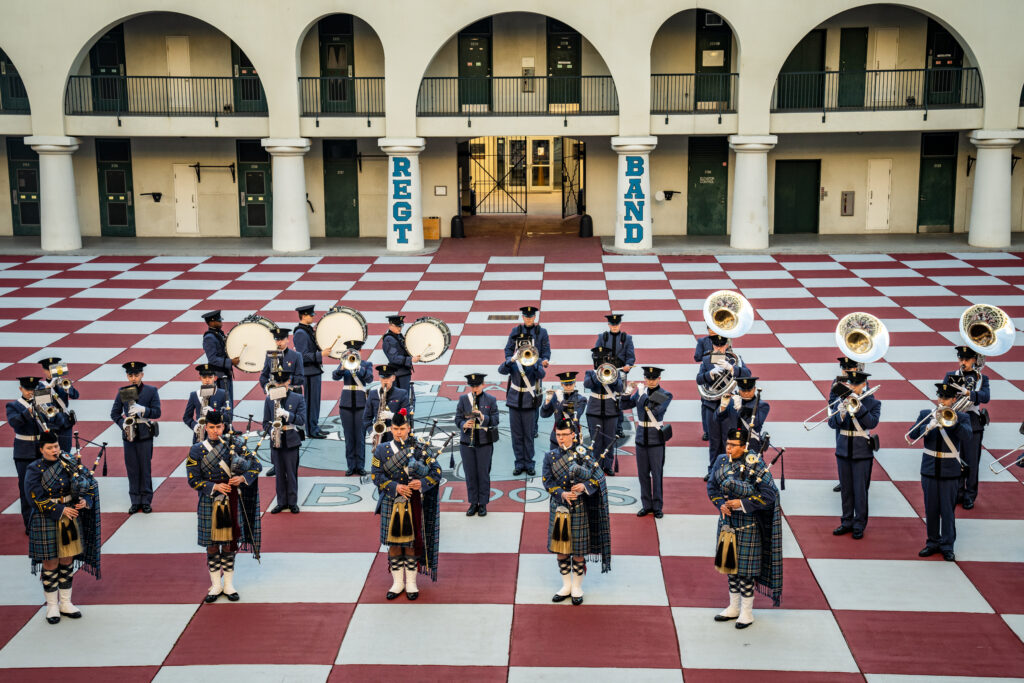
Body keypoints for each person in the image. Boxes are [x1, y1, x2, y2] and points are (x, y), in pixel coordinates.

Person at [707, 427, 783, 629]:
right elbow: (712, 487)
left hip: (748, 524)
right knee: (730, 567)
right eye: (728, 444)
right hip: (727, 522)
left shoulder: (755, 464)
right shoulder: (721, 460)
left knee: (746, 571)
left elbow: (769, 495)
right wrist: (719, 504)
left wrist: (741, 504)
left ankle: (747, 612)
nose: (729, 449)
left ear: (745, 447)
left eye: (733, 446)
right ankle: (733, 607)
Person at [24, 431, 101, 624]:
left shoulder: (68, 461)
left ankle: (65, 602)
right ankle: (51, 606)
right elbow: (34, 498)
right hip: (48, 517)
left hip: (70, 515)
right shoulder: (34, 468)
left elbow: (87, 483)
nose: (54, 450)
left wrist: (85, 500)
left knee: (67, 559)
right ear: (41, 449)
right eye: (50, 448)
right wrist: (60, 509)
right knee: (50, 561)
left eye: (56, 446)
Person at [186, 410, 261, 602]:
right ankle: (215, 585)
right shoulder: (196, 450)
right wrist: (213, 486)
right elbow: (193, 480)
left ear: (224, 426)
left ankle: (228, 584)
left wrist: (243, 478)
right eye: (211, 427)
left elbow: (256, 465)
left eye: (218, 427)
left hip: (230, 500)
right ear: (205, 428)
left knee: (229, 544)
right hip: (209, 500)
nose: (215, 431)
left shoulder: (234, 444)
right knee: (211, 545)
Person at [371, 409, 441, 600]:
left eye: (402, 428)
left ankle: (411, 583)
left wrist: (422, 483)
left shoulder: (420, 448)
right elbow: (375, 476)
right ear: (390, 429)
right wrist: (395, 487)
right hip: (391, 501)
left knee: (410, 543)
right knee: (393, 544)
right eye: (395, 429)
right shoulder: (381, 449)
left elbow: (436, 472)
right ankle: (397, 583)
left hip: (413, 501)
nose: (398, 432)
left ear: (409, 429)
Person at [542, 419, 611, 605]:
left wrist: (585, 486)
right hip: (560, 508)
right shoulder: (550, 456)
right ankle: (566, 585)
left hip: (580, 507)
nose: (561, 439)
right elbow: (547, 482)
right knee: (561, 549)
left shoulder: (584, 454)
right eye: (558, 435)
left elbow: (598, 478)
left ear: (573, 434)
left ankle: (577, 587)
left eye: (564, 435)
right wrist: (562, 493)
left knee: (579, 550)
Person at [909, 383, 972, 562]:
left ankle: (947, 545)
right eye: (940, 397)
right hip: (929, 468)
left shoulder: (962, 417)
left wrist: (951, 422)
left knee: (947, 510)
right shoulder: (925, 414)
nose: (942, 401)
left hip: (949, 471)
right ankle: (932, 543)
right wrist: (928, 426)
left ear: (954, 399)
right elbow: (912, 435)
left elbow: (967, 437)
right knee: (931, 509)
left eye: (946, 398)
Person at [827, 370, 880, 539]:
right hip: (843, 449)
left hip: (861, 451)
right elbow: (832, 424)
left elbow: (872, 422)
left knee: (860, 490)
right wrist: (841, 412)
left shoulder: (873, 402)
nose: (852, 387)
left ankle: (859, 524)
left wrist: (859, 406)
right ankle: (846, 521)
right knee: (846, 490)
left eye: (855, 384)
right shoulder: (841, 401)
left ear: (863, 384)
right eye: (850, 384)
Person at [621, 367, 673, 518]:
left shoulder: (664, 394)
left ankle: (657, 506)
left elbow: (654, 410)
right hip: (641, 438)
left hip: (656, 439)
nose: (650, 381)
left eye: (653, 378)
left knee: (656, 474)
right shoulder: (640, 392)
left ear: (659, 379)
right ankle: (646, 505)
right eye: (648, 378)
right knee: (642, 475)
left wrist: (642, 395)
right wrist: (627, 392)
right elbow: (624, 406)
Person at [110, 361, 161, 515]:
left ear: (142, 375)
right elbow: (114, 413)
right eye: (130, 375)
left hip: (145, 434)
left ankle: (146, 500)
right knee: (132, 468)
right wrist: (123, 423)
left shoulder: (151, 391)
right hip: (129, 434)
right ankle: (134, 500)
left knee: (145, 468)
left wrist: (144, 410)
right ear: (127, 376)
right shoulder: (123, 391)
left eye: (136, 375)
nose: (133, 378)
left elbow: (157, 413)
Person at [943, 345, 990, 509]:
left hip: (972, 422)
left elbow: (985, 396)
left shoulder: (981, 378)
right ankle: (957, 492)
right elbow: (942, 395)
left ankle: (970, 495)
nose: (962, 362)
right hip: (954, 420)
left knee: (971, 460)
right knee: (956, 459)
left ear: (974, 360)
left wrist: (969, 393)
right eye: (960, 359)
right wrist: (951, 397)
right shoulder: (951, 375)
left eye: (966, 359)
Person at [697, 334, 751, 474]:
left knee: (728, 439)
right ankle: (713, 471)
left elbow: (747, 374)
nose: (719, 348)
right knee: (714, 441)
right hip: (711, 404)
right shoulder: (707, 359)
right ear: (713, 346)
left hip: (729, 404)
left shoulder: (733, 359)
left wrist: (731, 368)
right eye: (716, 346)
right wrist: (711, 373)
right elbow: (699, 380)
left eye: (722, 345)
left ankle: (728, 470)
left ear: (726, 345)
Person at [499, 334, 547, 476]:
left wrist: (534, 363)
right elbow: (501, 370)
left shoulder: (535, 360)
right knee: (517, 435)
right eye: (521, 346)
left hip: (529, 403)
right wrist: (511, 360)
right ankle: (519, 463)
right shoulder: (513, 361)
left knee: (528, 435)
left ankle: (529, 463)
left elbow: (542, 375)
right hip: (514, 402)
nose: (524, 349)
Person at [456, 373, 500, 517]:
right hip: (466, 441)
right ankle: (473, 502)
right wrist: (464, 424)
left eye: (477, 385)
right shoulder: (464, 399)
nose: (475, 388)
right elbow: (457, 418)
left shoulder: (491, 400)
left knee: (483, 473)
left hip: (484, 442)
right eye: (472, 386)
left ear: (483, 384)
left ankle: (483, 503)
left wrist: (482, 417)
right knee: (470, 474)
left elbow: (495, 420)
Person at [263, 371, 306, 514]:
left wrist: (287, 414)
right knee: (280, 473)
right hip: (276, 440)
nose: (280, 385)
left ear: (289, 381)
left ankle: (292, 502)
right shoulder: (269, 399)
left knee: (291, 472)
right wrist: (270, 431)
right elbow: (265, 422)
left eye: (283, 382)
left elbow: (301, 420)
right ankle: (281, 502)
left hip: (291, 438)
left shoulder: (298, 398)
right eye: (278, 383)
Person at [504, 305, 551, 438]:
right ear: (523, 317)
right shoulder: (515, 330)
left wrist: (545, 360)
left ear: (534, 317)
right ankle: (519, 428)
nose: (529, 319)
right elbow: (508, 349)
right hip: (518, 368)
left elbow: (546, 349)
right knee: (515, 398)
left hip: (535, 370)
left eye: (531, 316)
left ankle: (533, 428)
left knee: (534, 400)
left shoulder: (542, 332)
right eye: (526, 316)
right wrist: (510, 360)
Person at [332, 340, 374, 476]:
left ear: (360, 352)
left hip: (362, 404)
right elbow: (335, 376)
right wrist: (343, 367)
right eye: (350, 352)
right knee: (349, 437)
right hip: (346, 404)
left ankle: (360, 466)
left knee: (360, 437)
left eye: (355, 352)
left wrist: (358, 368)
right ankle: (351, 466)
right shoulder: (344, 363)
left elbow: (369, 379)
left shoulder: (367, 364)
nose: (353, 355)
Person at [9, 376, 45, 533]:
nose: (31, 392)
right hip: (24, 451)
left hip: (42, 450)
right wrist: (27, 412)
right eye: (27, 389)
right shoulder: (14, 405)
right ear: (21, 389)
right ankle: (29, 524)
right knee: (26, 487)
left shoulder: (43, 401)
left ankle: (45, 519)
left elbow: (53, 419)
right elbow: (14, 422)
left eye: (33, 389)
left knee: (45, 485)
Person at [829, 357, 869, 492]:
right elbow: (831, 401)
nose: (845, 371)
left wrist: (853, 394)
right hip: (843, 418)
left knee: (858, 450)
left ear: (855, 368)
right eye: (843, 369)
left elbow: (867, 399)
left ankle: (858, 478)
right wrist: (841, 399)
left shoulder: (862, 381)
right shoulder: (837, 381)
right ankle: (843, 480)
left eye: (848, 369)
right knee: (841, 450)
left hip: (857, 419)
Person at [584, 346, 624, 476]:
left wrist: (611, 376)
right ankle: (596, 466)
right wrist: (598, 374)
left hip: (610, 410)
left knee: (609, 440)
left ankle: (608, 466)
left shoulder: (613, 371)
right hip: (594, 410)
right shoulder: (590, 373)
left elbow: (619, 387)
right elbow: (587, 385)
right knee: (596, 441)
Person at [595, 314, 635, 437]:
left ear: (620, 324)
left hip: (620, 373)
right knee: (604, 398)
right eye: (612, 324)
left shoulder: (627, 338)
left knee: (618, 401)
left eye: (616, 324)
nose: (614, 326)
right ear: (609, 325)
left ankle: (618, 428)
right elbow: (595, 354)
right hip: (605, 372)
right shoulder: (602, 337)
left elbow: (631, 356)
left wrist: (628, 365)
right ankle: (604, 425)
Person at [293, 305, 328, 438]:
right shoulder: (300, 333)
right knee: (310, 402)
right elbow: (302, 356)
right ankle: (311, 430)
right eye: (310, 315)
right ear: (304, 316)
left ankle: (315, 426)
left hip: (314, 371)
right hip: (309, 372)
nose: (313, 317)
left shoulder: (307, 330)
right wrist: (321, 354)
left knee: (315, 402)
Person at [713, 377, 769, 457]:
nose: (746, 393)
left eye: (749, 390)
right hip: (733, 444)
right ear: (739, 389)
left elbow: (755, 423)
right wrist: (722, 406)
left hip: (751, 445)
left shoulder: (761, 405)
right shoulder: (732, 402)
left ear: (754, 389)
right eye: (743, 390)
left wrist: (740, 409)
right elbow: (716, 420)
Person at [37, 357, 79, 453]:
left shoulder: (64, 382)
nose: (52, 372)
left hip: (65, 422)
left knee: (65, 451)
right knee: (51, 452)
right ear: (44, 371)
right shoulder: (40, 386)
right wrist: (49, 387)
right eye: (49, 370)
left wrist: (67, 388)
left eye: (54, 369)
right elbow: (41, 404)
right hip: (50, 423)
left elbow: (76, 395)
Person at [362, 364, 410, 446]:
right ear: (379, 378)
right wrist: (371, 431)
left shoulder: (401, 394)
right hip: (379, 436)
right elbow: (366, 418)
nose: (385, 380)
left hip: (397, 436)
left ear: (393, 378)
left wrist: (392, 416)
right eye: (383, 378)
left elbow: (407, 415)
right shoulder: (373, 394)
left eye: (388, 377)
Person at [183, 363, 230, 444]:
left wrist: (214, 411)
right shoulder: (194, 395)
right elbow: (186, 417)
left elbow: (229, 416)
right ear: (200, 378)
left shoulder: (223, 393)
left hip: (218, 435)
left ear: (215, 378)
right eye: (204, 377)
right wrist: (194, 426)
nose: (207, 380)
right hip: (200, 436)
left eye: (210, 377)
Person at [382, 314, 418, 415]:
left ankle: (403, 420)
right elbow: (393, 358)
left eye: (401, 326)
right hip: (398, 374)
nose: (400, 328)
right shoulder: (389, 339)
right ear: (390, 325)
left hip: (403, 373)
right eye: (397, 326)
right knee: (398, 401)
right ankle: (398, 421)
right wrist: (411, 359)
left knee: (404, 400)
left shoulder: (398, 336)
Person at [540, 371, 586, 450]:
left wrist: (561, 401)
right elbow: (544, 415)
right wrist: (547, 401)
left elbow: (572, 416)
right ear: (562, 384)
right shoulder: (557, 396)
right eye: (566, 384)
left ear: (575, 383)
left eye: (571, 384)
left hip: (572, 435)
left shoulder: (581, 399)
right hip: (556, 436)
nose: (568, 387)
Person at [202, 310, 238, 406]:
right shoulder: (209, 338)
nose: (221, 322)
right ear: (211, 322)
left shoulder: (219, 334)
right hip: (219, 376)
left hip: (225, 373)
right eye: (219, 321)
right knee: (223, 402)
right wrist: (230, 362)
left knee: (229, 400)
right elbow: (212, 359)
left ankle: (228, 420)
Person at [259, 327, 304, 391]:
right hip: (274, 392)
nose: (279, 342)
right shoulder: (269, 356)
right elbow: (263, 376)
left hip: (292, 392)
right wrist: (267, 387)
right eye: (277, 340)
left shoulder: (296, 355)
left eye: (282, 339)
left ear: (287, 339)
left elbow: (301, 378)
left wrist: (285, 380)